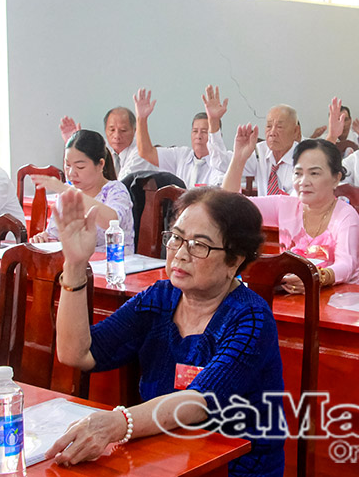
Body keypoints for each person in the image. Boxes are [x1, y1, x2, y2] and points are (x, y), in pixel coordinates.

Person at [46, 187, 285, 476]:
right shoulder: (160, 298)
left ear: (234, 260)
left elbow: (199, 401)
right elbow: (77, 353)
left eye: (199, 245)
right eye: (176, 238)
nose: (181, 254)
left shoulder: (251, 317)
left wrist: (118, 423)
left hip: (233, 468)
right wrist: (74, 264)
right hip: (161, 458)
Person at [224, 129, 359, 287]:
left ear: (336, 178)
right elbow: (231, 206)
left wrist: (315, 278)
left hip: (338, 295)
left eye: (314, 174)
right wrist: (239, 159)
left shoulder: (346, 215)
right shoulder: (285, 205)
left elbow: (346, 265)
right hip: (291, 293)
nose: (304, 182)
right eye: (298, 173)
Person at [31, 130, 134, 251]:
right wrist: (45, 239)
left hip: (113, 260)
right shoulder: (67, 191)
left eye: (80, 167)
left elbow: (111, 222)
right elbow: (56, 236)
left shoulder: (116, 190)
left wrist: (68, 191)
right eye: (67, 165)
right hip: (78, 261)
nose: (71, 173)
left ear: (101, 164)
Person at [204, 87, 301, 196]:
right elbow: (220, 163)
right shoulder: (261, 152)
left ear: (295, 131)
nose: (272, 132)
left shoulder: (303, 158)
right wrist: (213, 121)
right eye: (269, 126)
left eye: (279, 127)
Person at [133, 88, 225, 187]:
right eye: (195, 131)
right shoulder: (181, 155)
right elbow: (146, 152)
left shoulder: (223, 162)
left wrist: (214, 120)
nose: (198, 136)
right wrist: (141, 119)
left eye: (204, 132)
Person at [60, 106, 157, 181]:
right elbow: (79, 178)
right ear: (105, 130)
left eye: (123, 130)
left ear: (134, 131)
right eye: (112, 130)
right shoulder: (101, 147)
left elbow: (121, 185)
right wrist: (74, 148)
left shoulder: (141, 152)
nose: (117, 136)